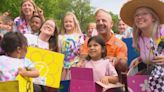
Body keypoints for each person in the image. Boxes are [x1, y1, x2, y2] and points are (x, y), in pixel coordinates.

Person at [120, 0, 164, 91]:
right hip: (151, 77)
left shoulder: (162, 32)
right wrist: (140, 58)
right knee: (131, 74)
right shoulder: (139, 38)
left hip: (160, 78)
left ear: (153, 17)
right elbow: (149, 55)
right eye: (136, 15)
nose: (139, 17)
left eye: (144, 13)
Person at [80, 9, 128, 77]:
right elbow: (83, 57)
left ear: (111, 24)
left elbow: (122, 61)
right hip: (91, 78)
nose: (100, 23)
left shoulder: (120, 44)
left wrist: (116, 60)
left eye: (104, 20)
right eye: (98, 21)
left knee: (122, 63)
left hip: (112, 80)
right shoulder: (88, 42)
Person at [25, 19, 58, 92]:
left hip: (40, 82)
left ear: (53, 33)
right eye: (46, 24)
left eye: (51, 26)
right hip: (25, 74)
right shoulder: (27, 37)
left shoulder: (52, 49)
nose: (48, 26)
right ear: (41, 28)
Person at [58, 12, 84, 80]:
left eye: (70, 21)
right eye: (66, 22)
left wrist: (80, 62)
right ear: (63, 24)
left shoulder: (79, 36)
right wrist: (60, 64)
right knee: (63, 85)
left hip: (75, 65)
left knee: (74, 85)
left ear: (74, 23)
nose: (68, 23)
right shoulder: (60, 37)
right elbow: (59, 51)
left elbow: (81, 51)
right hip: (63, 66)